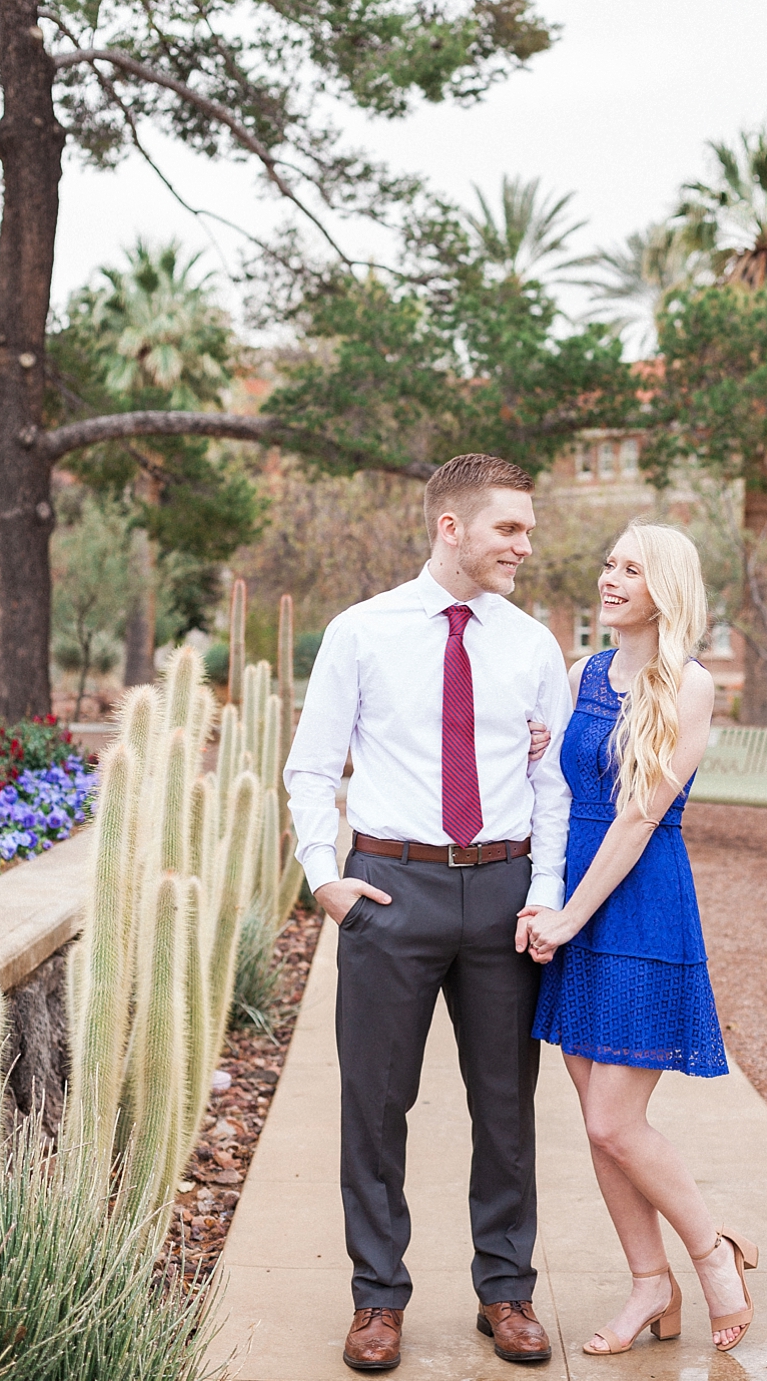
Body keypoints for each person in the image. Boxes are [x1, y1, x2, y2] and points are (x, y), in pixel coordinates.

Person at [284, 453, 572, 1372]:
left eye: (526, 529)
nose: (524, 545)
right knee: (374, 1103)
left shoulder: (530, 644)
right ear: (451, 527)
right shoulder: (360, 632)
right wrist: (324, 876)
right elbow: (311, 765)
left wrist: (542, 893)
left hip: (500, 892)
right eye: (509, 529)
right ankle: (377, 1299)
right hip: (389, 889)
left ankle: (507, 1288)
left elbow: (552, 781)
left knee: (506, 1104)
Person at [522, 520, 758, 1357]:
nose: (610, 578)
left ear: (665, 587)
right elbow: (551, 780)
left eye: (631, 568)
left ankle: (710, 1256)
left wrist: (568, 915)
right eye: (609, 563)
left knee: (618, 1120)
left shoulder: (687, 685)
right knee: (595, 1119)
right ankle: (648, 1285)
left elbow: (637, 816)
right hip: (571, 904)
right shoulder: (580, 670)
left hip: (638, 908)